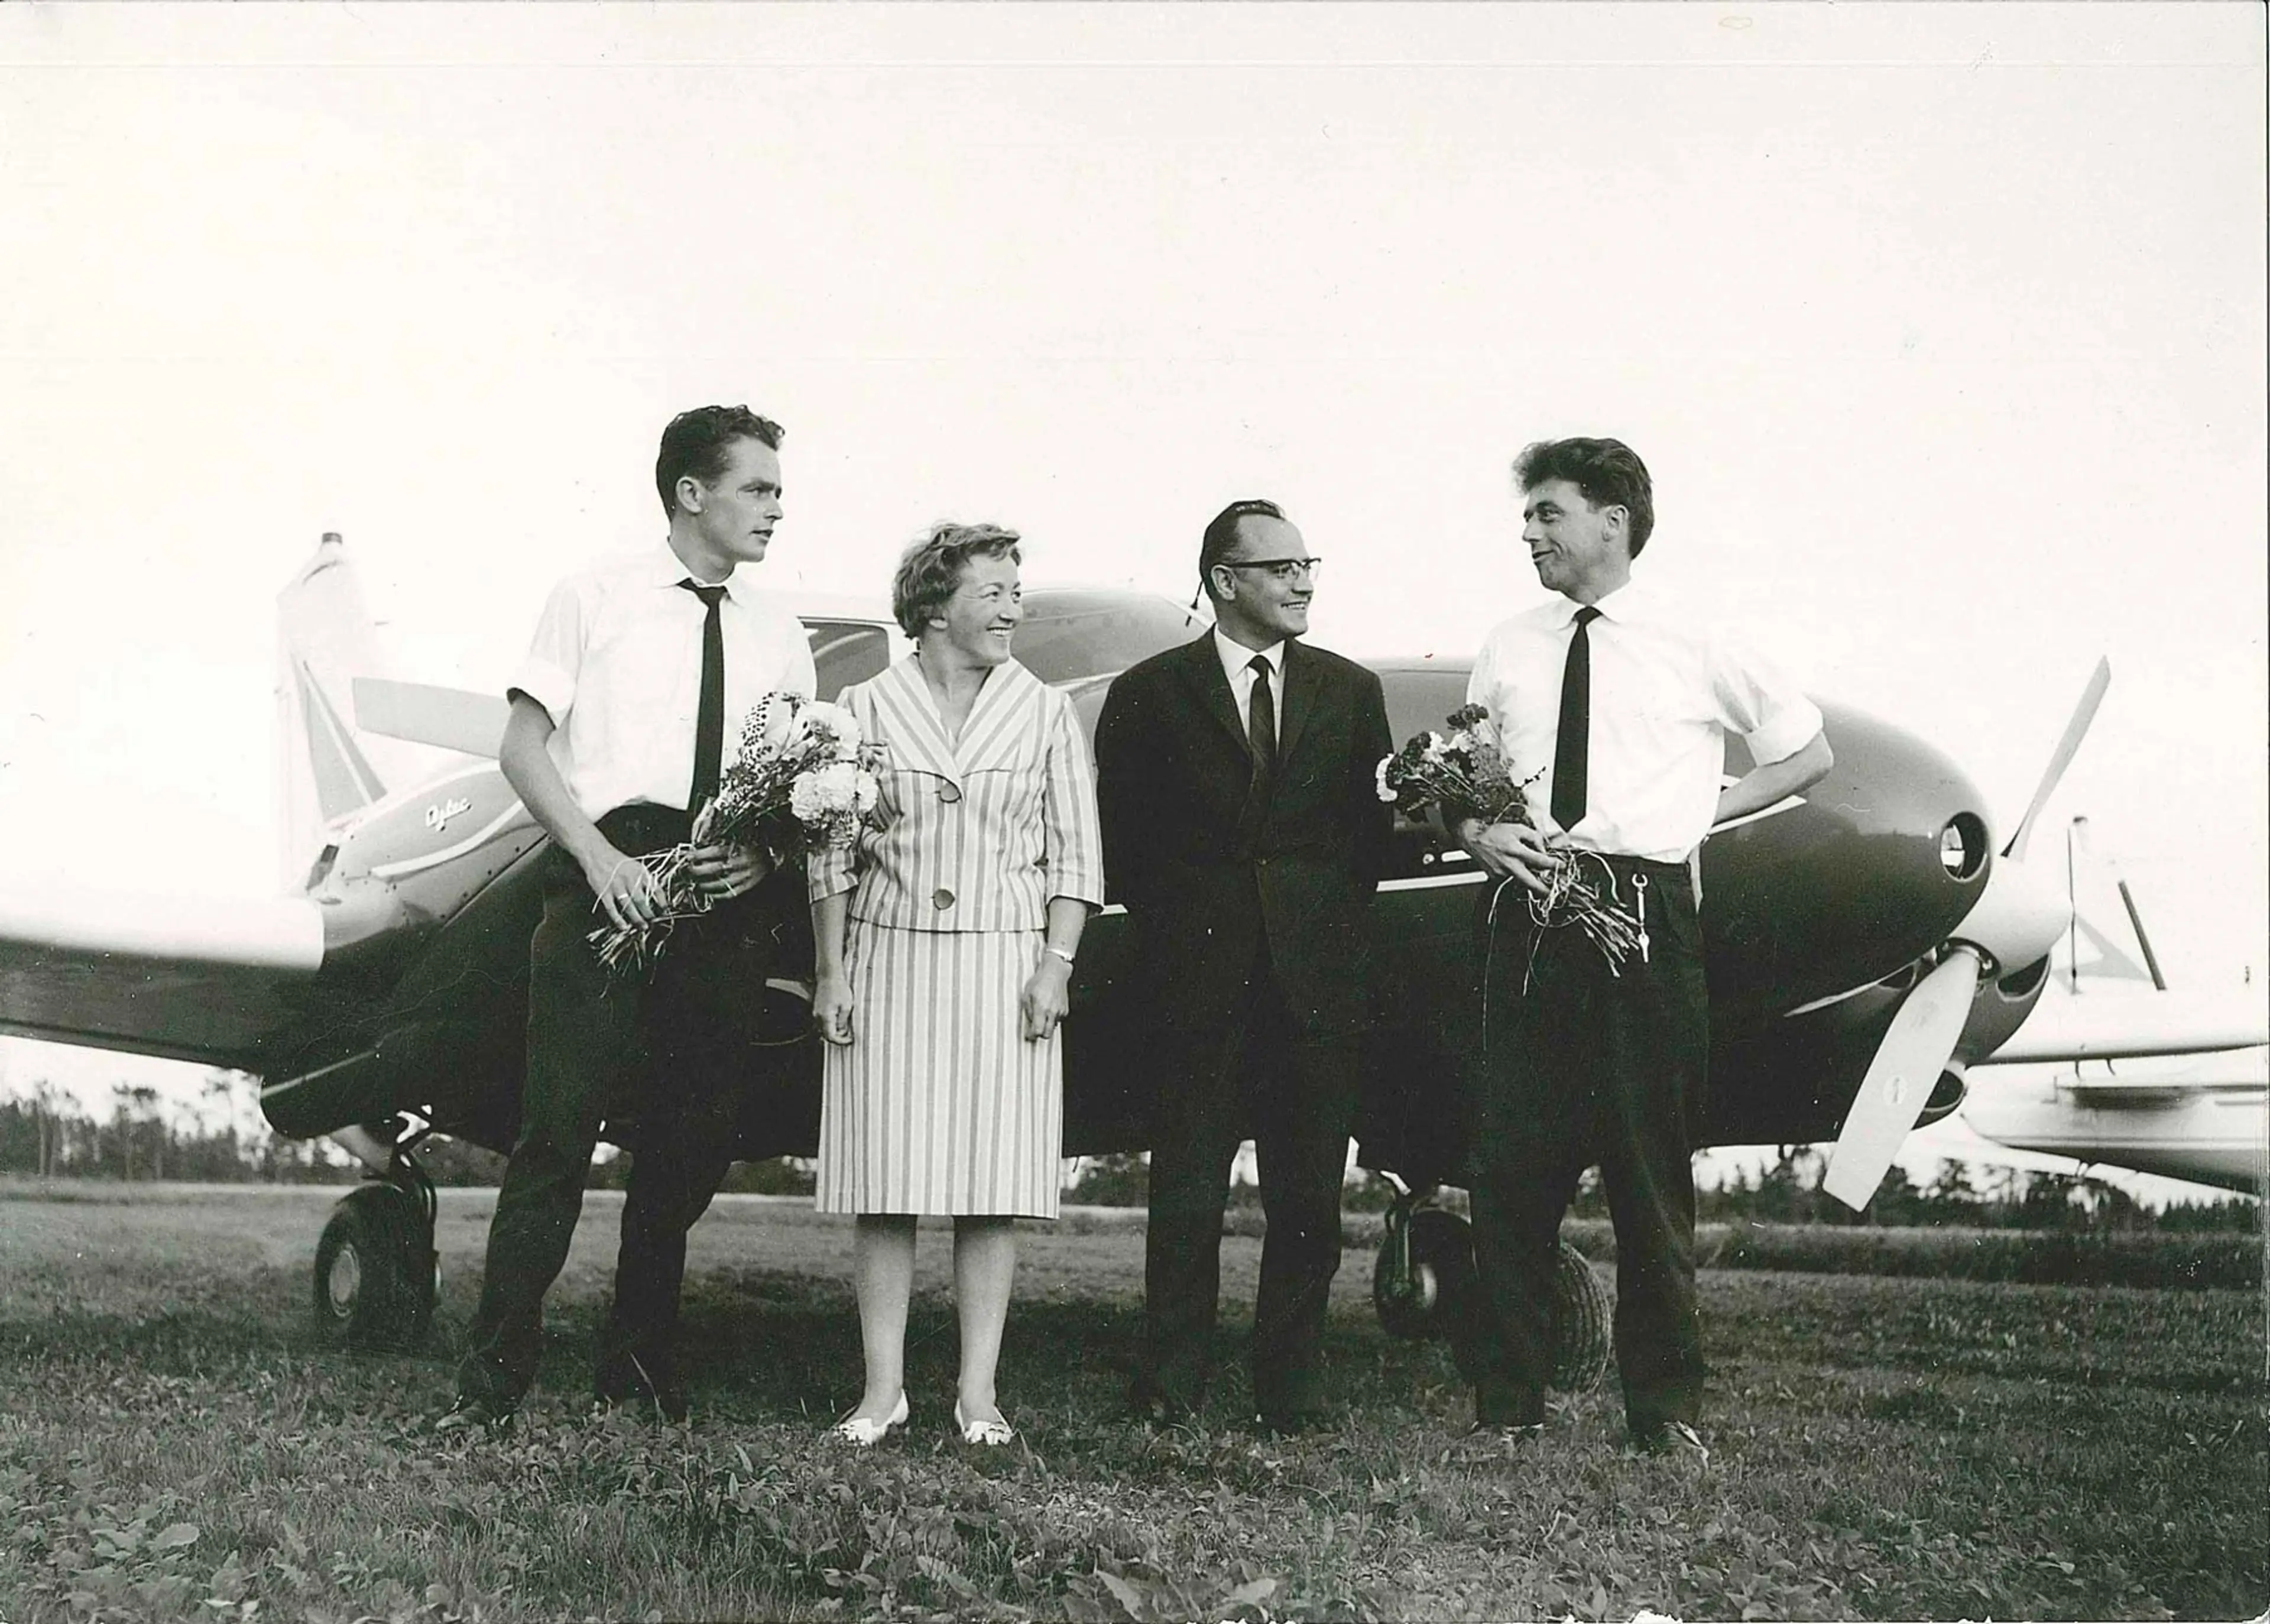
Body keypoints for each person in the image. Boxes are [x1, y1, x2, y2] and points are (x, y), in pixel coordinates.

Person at [436, 405, 817, 1432]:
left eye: (779, 491)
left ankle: (638, 1371)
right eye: (759, 488)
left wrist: (764, 854)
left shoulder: (780, 630)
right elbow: (524, 749)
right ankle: (493, 1382)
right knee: (557, 1133)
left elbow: (802, 785)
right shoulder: (592, 596)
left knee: (688, 1143)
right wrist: (598, 859)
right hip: (606, 881)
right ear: (692, 492)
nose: (777, 508)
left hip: (719, 902)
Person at [1455, 437, 1833, 1454]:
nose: (1530, 532)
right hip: (1526, 912)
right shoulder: (1508, 642)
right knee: (1512, 1174)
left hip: (1642, 913)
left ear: (1611, 520)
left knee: (1649, 1174)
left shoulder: (1698, 637)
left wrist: (1707, 808)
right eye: (1528, 516)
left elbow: (1810, 750)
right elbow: (1467, 775)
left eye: (1548, 513)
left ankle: (1665, 1419)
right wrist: (1476, 830)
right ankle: (1507, 1412)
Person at [1094, 498, 1393, 1436]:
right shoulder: (1149, 693)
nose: (1304, 580)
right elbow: (1124, 846)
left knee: (1308, 1200)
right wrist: (1197, 930)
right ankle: (1168, 1384)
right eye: (1283, 566)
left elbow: (1367, 844)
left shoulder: (1352, 692)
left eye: (1310, 564)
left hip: (1316, 988)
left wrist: (1312, 929)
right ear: (1227, 581)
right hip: (1195, 982)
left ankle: (1291, 1391)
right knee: (1186, 1191)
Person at [809, 523, 1102, 1448]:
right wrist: (830, 971)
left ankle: (978, 1393)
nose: (1013, 606)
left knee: (992, 1183)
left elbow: (1077, 857)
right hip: (887, 957)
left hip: (1006, 963)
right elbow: (829, 852)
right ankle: (882, 1392)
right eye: (993, 591)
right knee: (885, 1181)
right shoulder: (860, 705)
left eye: (1018, 589)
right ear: (935, 608)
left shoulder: (1046, 710)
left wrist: (1056, 964)